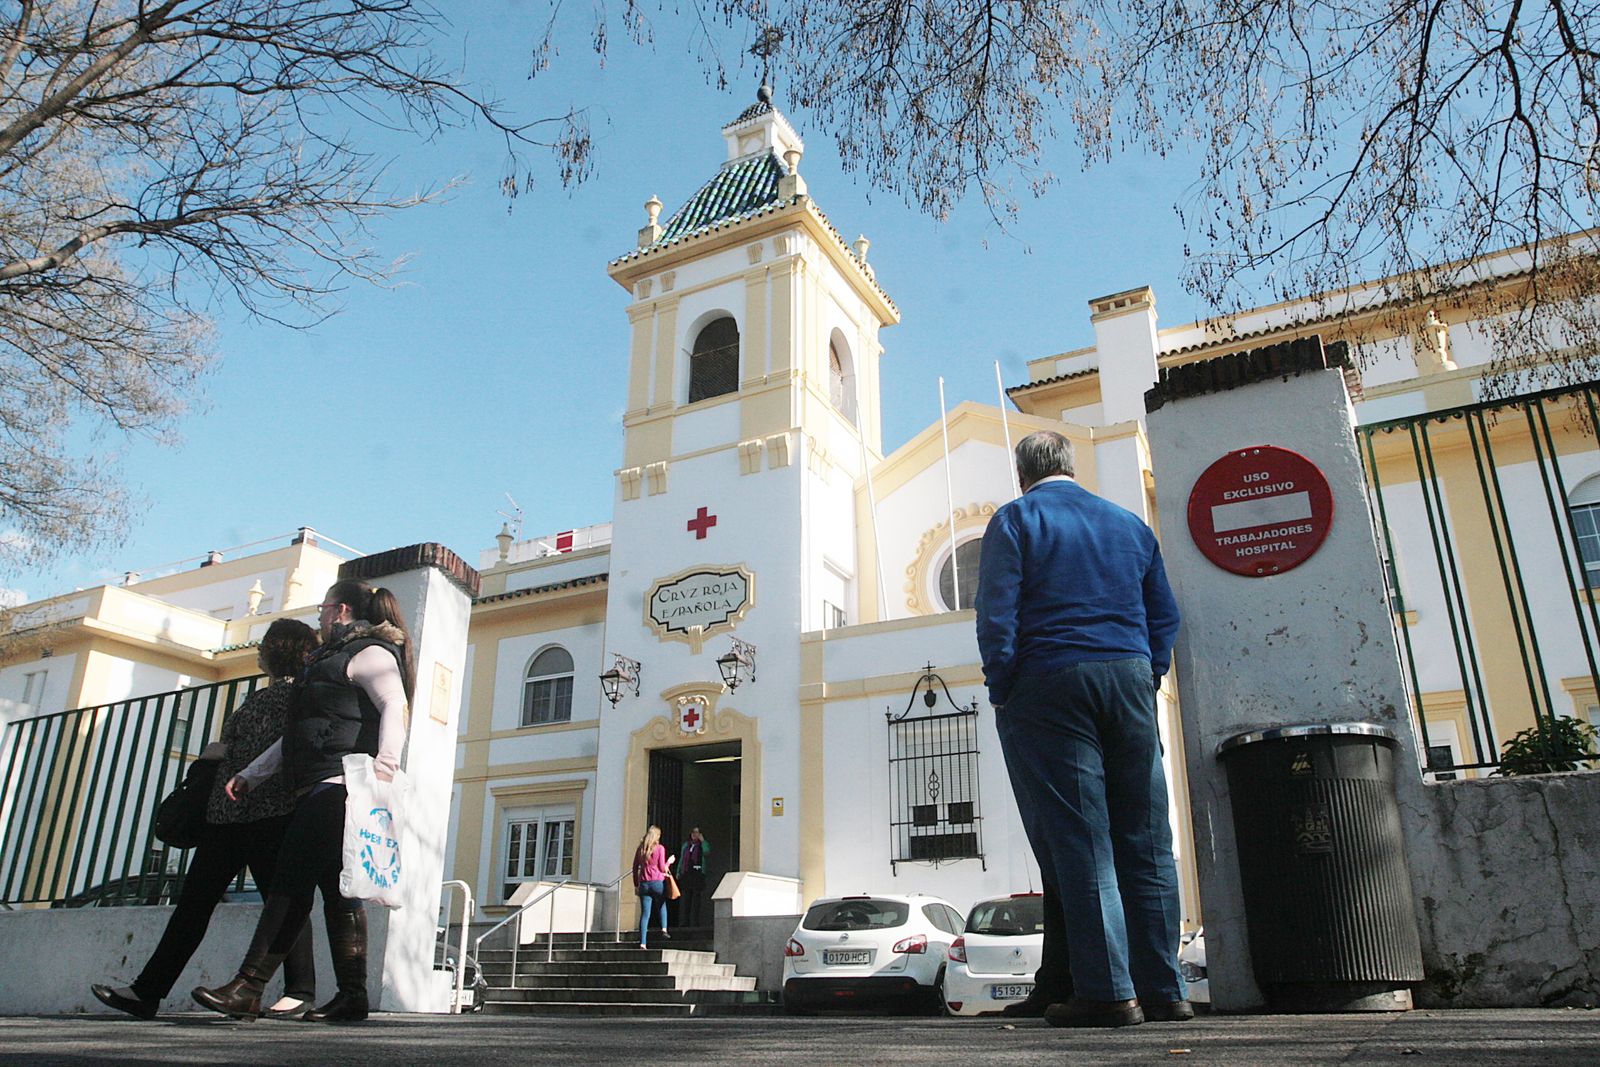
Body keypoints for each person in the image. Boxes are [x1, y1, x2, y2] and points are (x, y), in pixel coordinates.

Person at [975, 430, 1188, 1029]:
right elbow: (1163, 615)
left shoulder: (1015, 521)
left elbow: (996, 616)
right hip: (1128, 678)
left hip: (1049, 682)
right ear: (1071, 466)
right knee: (1147, 841)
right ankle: (1165, 990)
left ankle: (1106, 993)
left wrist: (1005, 689)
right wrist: (1147, 675)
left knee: (1081, 841)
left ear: (1022, 474)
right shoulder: (1129, 526)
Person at [192, 580, 413, 1023]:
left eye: (323, 606)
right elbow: (298, 731)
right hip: (316, 784)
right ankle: (352, 995)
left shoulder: (369, 652)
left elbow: (394, 705)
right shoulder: (325, 661)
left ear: (342, 609)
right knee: (337, 893)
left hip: (339, 784)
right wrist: (252, 775)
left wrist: (385, 768)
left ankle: (248, 986)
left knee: (290, 881)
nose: (319, 614)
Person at [90, 620, 321, 1020]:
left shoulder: (290, 697)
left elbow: (251, 747)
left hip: (260, 814)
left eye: (265, 646)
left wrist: (221, 753)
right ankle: (149, 991)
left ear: (274, 651)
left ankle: (298, 991)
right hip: (237, 814)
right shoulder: (276, 697)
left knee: (264, 905)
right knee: (257, 905)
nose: (260, 652)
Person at [632, 825, 674, 949]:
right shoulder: (660, 848)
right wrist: (669, 862)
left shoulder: (641, 849)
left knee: (645, 914)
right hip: (657, 882)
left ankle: (643, 942)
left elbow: (635, 868)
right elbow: (662, 867)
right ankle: (664, 929)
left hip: (644, 883)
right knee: (661, 904)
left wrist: (636, 884)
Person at [676, 828, 711, 928]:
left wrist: (703, 841)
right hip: (687, 874)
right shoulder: (686, 845)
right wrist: (678, 871)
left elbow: (707, 852)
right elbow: (682, 859)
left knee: (696, 899)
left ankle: (695, 922)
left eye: (697, 832)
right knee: (686, 898)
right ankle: (685, 922)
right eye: (693, 832)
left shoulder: (702, 845)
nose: (694, 834)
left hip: (698, 874)